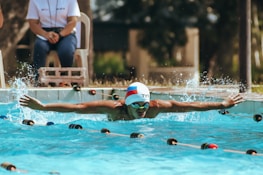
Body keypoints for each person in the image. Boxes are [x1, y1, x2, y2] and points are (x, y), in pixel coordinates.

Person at [19, 82, 244, 121]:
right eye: (137, 105)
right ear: (127, 104)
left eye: (144, 104)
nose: (142, 109)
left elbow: (190, 105)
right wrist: (44, 107)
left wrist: (221, 105)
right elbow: (78, 107)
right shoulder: (115, 110)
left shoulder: (155, 109)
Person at [26, 0, 80, 82]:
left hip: (66, 33)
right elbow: (32, 23)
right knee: (39, 46)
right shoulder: (35, 1)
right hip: (45, 33)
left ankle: (65, 80)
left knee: (66, 50)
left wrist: (60, 35)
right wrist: (45, 34)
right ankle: (38, 80)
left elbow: (73, 21)